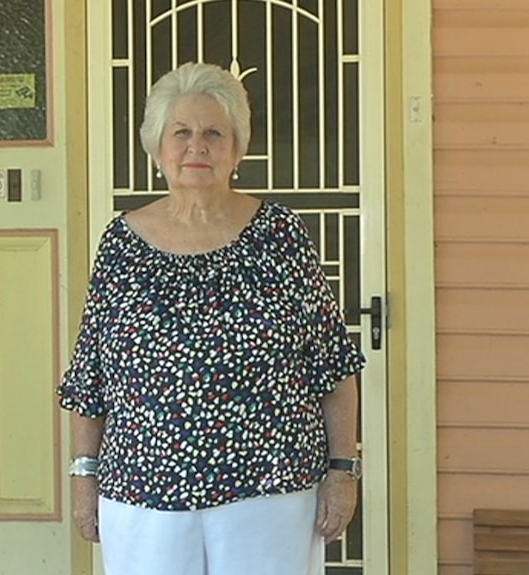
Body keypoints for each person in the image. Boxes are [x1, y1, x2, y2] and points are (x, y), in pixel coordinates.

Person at [58, 61, 366, 575]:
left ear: (237, 149)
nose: (196, 146)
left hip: (270, 490)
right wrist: (83, 474)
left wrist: (343, 469)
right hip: (143, 491)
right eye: (181, 132)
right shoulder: (121, 243)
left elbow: (332, 363)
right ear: (157, 147)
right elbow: (91, 373)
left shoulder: (280, 235)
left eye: (213, 133)